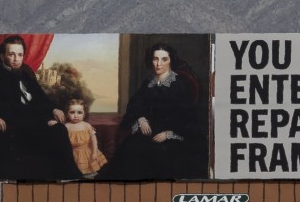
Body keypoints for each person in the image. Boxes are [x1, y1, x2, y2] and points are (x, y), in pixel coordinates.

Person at [0, 38, 74, 180]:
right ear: (2, 56)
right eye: (11, 54)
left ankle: (69, 176)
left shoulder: (26, 73)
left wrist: (53, 109)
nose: (16, 59)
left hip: (35, 121)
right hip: (17, 128)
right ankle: (64, 176)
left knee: (60, 129)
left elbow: (40, 98)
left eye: (20, 55)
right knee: (54, 133)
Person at [101, 43, 204, 179]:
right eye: (155, 59)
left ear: (171, 61)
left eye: (164, 59)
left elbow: (187, 117)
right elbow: (134, 106)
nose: (159, 64)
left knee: (157, 154)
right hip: (148, 131)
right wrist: (141, 119)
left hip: (171, 134)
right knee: (131, 147)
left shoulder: (178, 85)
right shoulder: (148, 83)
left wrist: (168, 134)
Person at [61, 100, 107, 178]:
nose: (76, 116)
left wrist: (94, 152)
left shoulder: (87, 126)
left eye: (79, 112)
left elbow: (94, 141)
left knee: (88, 173)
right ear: (67, 114)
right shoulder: (66, 126)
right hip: (72, 153)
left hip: (87, 153)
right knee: (73, 173)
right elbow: (62, 142)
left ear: (84, 114)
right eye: (72, 112)